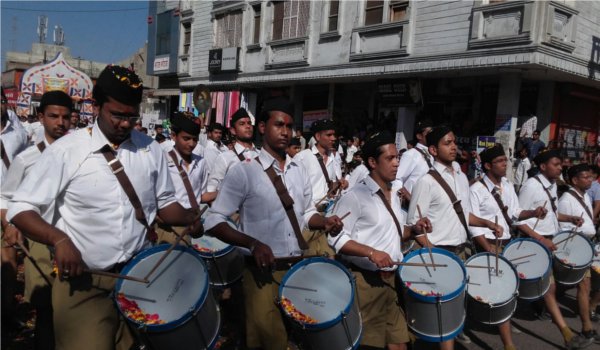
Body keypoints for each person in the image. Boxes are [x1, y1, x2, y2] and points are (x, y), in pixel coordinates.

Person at [6, 65, 203, 350]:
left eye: (132, 115)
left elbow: (165, 204)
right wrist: (59, 239)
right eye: (118, 115)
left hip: (139, 279)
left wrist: (188, 217)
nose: (125, 123)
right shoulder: (67, 150)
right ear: (96, 107)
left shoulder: (151, 149)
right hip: (84, 284)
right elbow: (21, 207)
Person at [204, 96, 343, 350]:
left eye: (289, 126)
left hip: (296, 269)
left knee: (298, 338)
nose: (285, 132)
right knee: (270, 342)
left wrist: (324, 222)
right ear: (262, 128)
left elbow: (307, 213)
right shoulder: (244, 171)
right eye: (279, 125)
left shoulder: (298, 170)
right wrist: (252, 243)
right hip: (260, 274)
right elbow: (214, 220)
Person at [329, 132, 432, 350]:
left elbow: (394, 232)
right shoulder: (355, 196)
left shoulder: (394, 193)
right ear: (373, 162)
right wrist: (371, 253)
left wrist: (414, 229)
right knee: (370, 344)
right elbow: (336, 238)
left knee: (400, 343)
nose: (396, 163)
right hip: (366, 284)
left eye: (398, 158)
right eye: (390, 158)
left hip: (391, 281)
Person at [407, 125, 503, 349]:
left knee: (451, 308)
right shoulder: (426, 181)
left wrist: (487, 222)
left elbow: (463, 213)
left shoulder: (460, 177)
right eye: (446, 143)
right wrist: (434, 254)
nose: (453, 147)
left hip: (461, 250)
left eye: (454, 142)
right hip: (438, 252)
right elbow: (414, 225)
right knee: (438, 311)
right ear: (432, 149)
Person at [1, 90, 73, 350]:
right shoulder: (26, 159)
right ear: (41, 117)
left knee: (71, 310)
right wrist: (9, 225)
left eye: (66, 117)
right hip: (40, 241)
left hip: (75, 240)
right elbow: (6, 197)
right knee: (44, 309)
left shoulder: (82, 155)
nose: (60, 122)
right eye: (53, 116)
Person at [469, 144, 546, 350]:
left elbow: (514, 213)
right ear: (487, 165)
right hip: (487, 245)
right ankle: (507, 342)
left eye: (506, 161)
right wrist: (487, 248)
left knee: (506, 288)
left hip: (506, 244)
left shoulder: (508, 185)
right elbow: (473, 225)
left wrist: (533, 212)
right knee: (496, 289)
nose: (505, 165)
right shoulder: (476, 190)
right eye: (500, 162)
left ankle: (503, 324)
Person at [516, 150, 592, 349]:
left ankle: (535, 306)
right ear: (543, 167)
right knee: (549, 288)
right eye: (556, 164)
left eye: (561, 164)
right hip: (536, 243)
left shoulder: (552, 186)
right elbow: (518, 220)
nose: (560, 168)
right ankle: (566, 333)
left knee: (557, 284)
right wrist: (541, 239)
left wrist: (569, 218)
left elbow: (552, 214)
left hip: (552, 241)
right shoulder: (531, 186)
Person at [557, 164, 600, 344]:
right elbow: (563, 229)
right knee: (584, 286)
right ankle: (587, 327)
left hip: (589, 245)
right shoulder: (567, 199)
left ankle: (588, 316)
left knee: (587, 285)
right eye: (586, 177)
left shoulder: (583, 196)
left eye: (591, 177)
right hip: (579, 247)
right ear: (575, 180)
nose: (590, 180)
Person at [294, 119, 348, 255]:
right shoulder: (302, 158)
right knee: (309, 261)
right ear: (318, 137)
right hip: (310, 219)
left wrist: (340, 184)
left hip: (330, 216)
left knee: (329, 261)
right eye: (329, 135)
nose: (333, 139)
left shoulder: (335, 158)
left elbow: (331, 184)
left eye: (334, 135)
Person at [155, 112, 210, 244]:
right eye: (186, 139)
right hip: (169, 230)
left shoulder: (201, 162)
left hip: (195, 226)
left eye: (195, 139)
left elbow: (201, 195)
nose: (191, 144)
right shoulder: (162, 160)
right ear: (174, 136)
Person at [205, 108, 258, 200]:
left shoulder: (261, 155)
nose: (248, 126)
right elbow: (211, 190)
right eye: (242, 124)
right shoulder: (225, 158)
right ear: (233, 130)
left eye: (249, 123)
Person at [394, 119, 434, 205]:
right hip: (410, 208)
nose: (432, 135)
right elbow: (396, 179)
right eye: (428, 133)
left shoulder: (433, 155)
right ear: (419, 136)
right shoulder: (411, 154)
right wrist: (411, 199)